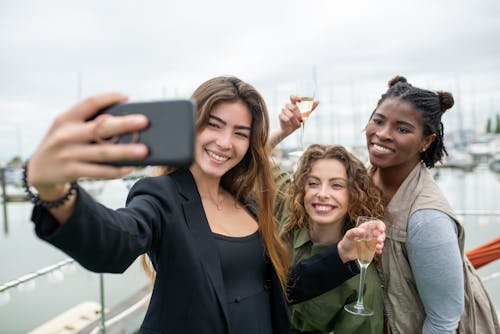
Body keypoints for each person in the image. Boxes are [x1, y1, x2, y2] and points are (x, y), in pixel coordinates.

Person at [26, 75, 385, 334]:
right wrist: (54, 188)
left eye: (240, 133)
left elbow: (279, 285)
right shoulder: (160, 195)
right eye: (213, 125)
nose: (225, 142)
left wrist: (342, 252)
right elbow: (114, 243)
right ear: (191, 127)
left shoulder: (247, 201)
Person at [272, 76, 500, 334]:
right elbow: (263, 172)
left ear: (426, 142)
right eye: (378, 121)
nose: (382, 134)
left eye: (402, 129)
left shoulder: (427, 219)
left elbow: (444, 320)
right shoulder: (363, 180)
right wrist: (284, 131)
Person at [273, 144, 386, 333]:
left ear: (354, 195)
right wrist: (284, 130)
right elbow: (259, 158)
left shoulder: (361, 281)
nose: (322, 194)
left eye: (337, 185)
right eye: (313, 183)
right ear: (302, 189)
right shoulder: (287, 219)